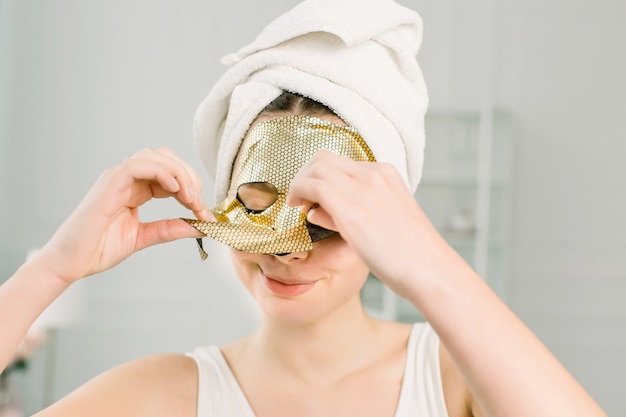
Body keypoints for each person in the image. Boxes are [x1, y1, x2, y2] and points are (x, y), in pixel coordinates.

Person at [0, 1, 608, 416]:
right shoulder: (167, 394)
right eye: (257, 210)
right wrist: (51, 269)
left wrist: (430, 265)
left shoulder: (456, 379)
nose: (289, 251)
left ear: (384, 224)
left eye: (326, 222)